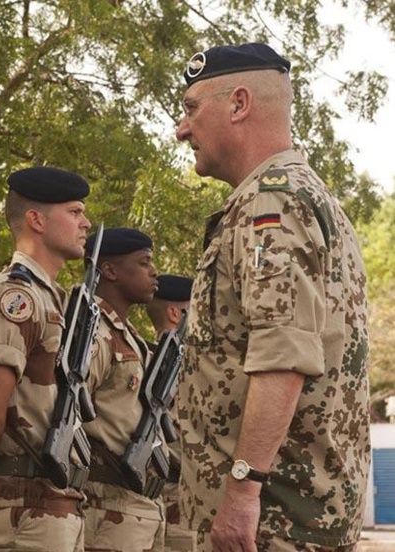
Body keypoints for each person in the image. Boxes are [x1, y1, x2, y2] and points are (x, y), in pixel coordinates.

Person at [175, 43, 370, 551]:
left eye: (191, 108)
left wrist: (242, 490)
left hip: (273, 522)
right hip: (290, 514)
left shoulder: (273, 201)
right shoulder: (303, 194)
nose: (181, 129)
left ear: (238, 104)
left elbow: (282, 353)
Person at [0, 166, 91, 551]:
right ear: (37, 220)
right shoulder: (16, 297)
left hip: (54, 503)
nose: (86, 223)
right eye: (75, 212)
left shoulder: (53, 300)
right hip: (24, 505)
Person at [81, 227, 164, 552]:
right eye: (144, 263)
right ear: (110, 270)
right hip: (104, 503)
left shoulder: (127, 335)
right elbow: (71, 408)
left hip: (132, 503)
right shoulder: (92, 330)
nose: (153, 272)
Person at [145, 274, 197, 552]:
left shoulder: (141, 360)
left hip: (154, 500)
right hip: (179, 501)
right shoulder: (191, 370)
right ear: (176, 313)